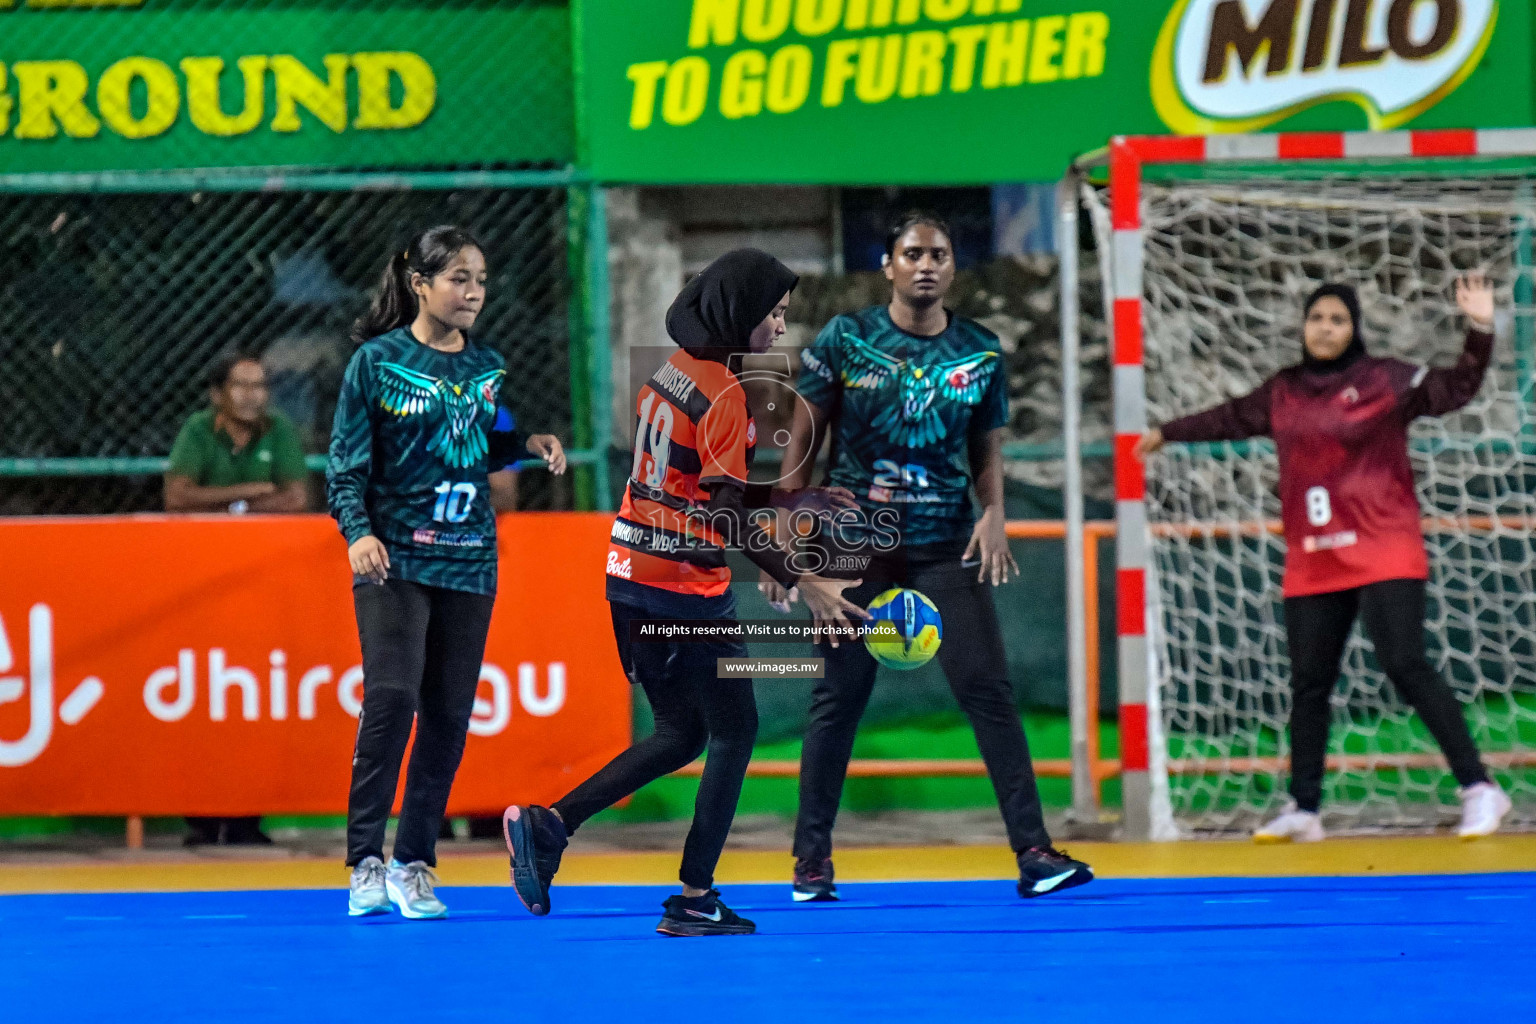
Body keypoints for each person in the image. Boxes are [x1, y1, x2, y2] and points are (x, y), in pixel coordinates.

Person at [501, 248, 869, 937]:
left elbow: (702, 487)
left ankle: (551, 826)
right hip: (684, 589)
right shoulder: (729, 395)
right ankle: (696, 896)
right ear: (738, 312)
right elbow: (724, 513)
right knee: (736, 731)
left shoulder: (668, 375)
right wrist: (805, 579)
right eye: (775, 315)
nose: (782, 329)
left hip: (627, 577)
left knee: (681, 731)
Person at [766, 211, 1093, 902]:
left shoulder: (980, 351)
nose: (925, 264)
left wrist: (996, 513)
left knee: (988, 690)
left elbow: (985, 446)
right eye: (911, 252)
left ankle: (1033, 853)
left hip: (946, 543)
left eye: (938, 254)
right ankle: (810, 863)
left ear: (951, 268)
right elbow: (802, 438)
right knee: (839, 697)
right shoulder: (847, 340)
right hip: (856, 542)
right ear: (887, 265)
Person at [1135, 276, 1513, 842]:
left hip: (1384, 546)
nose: (1326, 328)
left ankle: (1480, 788)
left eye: (1338, 319)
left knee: (1404, 661)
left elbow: (1457, 388)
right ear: (1304, 326)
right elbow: (1230, 416)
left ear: (1353, 327)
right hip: (1314, 556)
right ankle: (1303, 807)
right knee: (1309, 683)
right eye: (1317, 318)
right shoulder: (1283, 389)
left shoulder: (1385, 379)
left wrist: (1480, 327)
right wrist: (1166, 432)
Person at [327, 225, 566, 919]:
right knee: (392, 698)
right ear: (420, 285)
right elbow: (346, 464)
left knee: (449, 718)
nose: (473, 293)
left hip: (469, 561)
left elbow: (467, 444)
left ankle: (414, 863)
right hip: (395, 559)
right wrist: (358, 531)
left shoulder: (487, 366)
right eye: (459, 278)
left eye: (482, 280)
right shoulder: (375, 362)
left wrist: (525, 445)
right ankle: (364, 862)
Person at [166, 352, 308, 847]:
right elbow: (177, 497)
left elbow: (297, 499)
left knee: (257, 694)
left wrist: (225, 502)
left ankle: (248, 816)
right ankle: (203, 817)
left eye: (261, 385)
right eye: (241, 385)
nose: (253, 394)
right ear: (217, 393)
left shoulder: (279, 430)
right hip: (200, 586)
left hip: (266, 586)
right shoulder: (198, 431)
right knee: (203, 692)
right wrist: (249, 493)